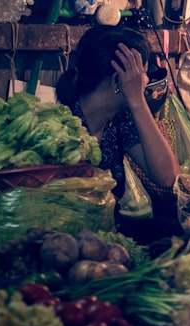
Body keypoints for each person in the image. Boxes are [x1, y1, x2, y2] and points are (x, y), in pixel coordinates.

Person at [56, 25, 180, 240]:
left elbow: (167, 177)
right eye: (141, 75)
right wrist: (135, 96)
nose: (146, 82)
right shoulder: (61, 126)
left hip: (109, 236)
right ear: (117, 81)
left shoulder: (119, 121)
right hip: (66, 242)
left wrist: (137, 102)